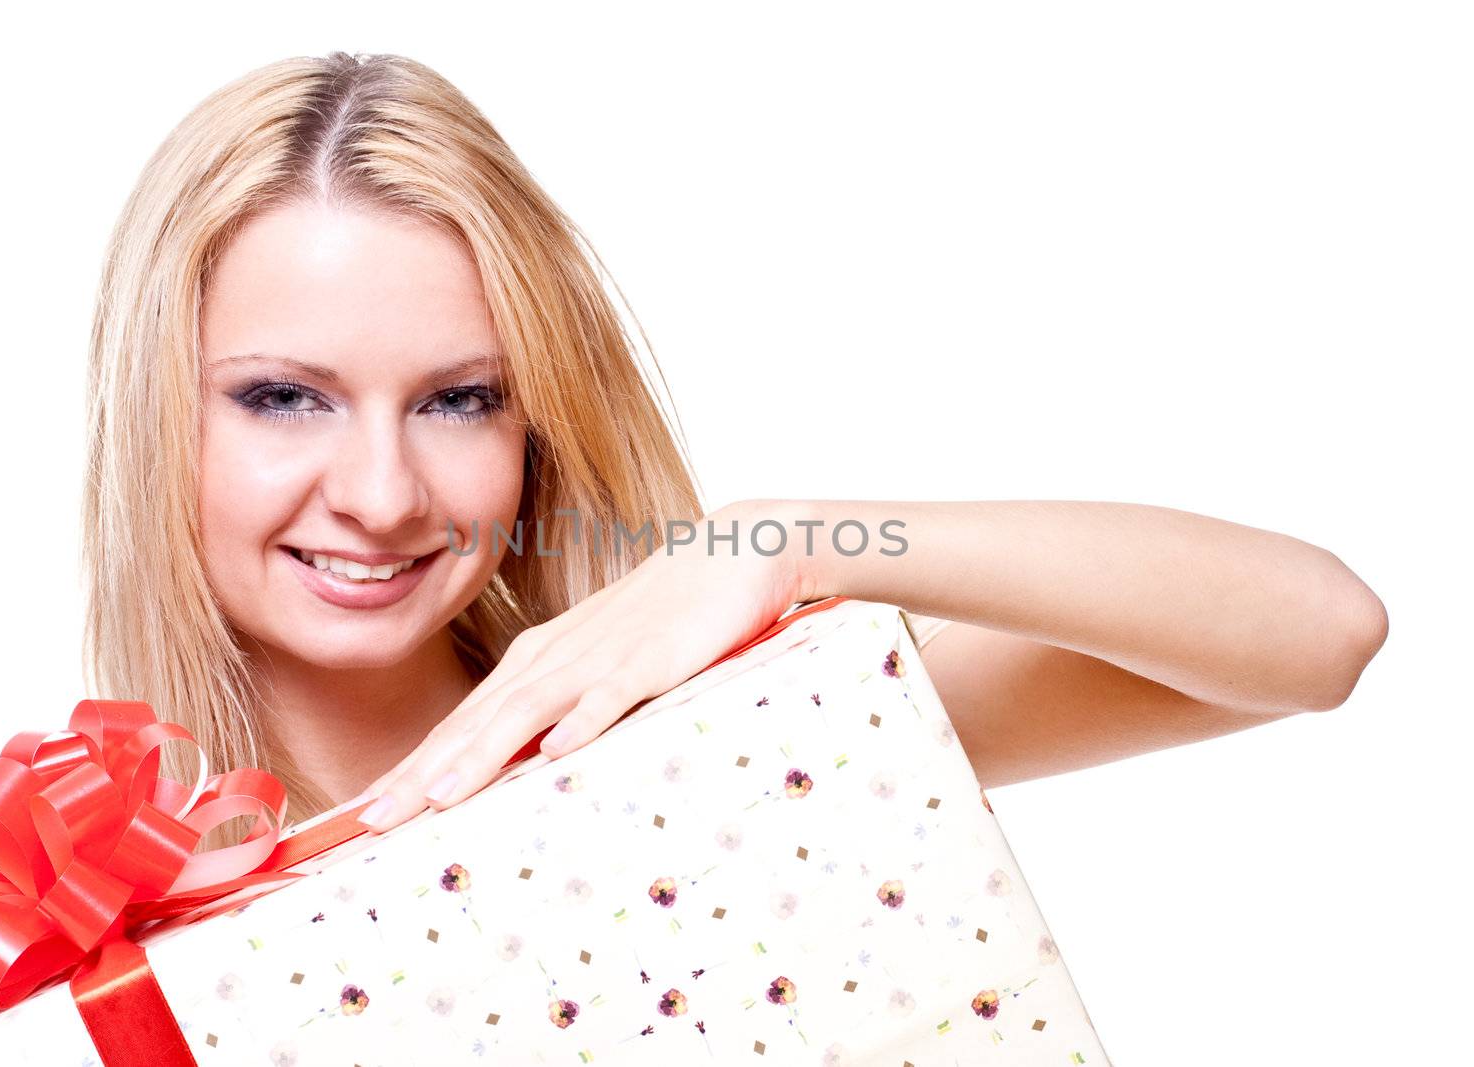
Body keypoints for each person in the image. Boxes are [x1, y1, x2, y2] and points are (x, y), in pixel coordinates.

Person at [81, 51, 1388, 848]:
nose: (379, 494)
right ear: (156, 416)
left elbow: (1318, 633)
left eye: (461, 400)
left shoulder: (710, 751)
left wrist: (790, 542)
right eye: (284, 399)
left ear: (537, 425)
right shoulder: (55, 930)